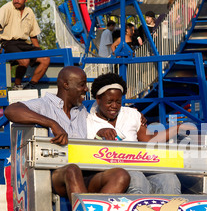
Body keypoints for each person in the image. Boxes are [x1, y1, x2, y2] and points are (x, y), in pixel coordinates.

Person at [4, 66, 130, 203]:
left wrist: (101, 133)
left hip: (84, 172)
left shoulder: (81, 110)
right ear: (66, 85)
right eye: (82, 85)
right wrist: (52, 123)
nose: (86, 89)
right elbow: (11, 110)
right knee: (72, 170)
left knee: (120, 174)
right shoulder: (45, 105)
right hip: (56, 175)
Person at [87, 72, 183, 195]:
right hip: (113, 176)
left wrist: (178, 128)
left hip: (140, 169)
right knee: (136, 178)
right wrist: (99, 136)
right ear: (98, 100)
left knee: (169, 179)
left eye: (118, 101)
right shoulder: (88, 121)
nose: (114, 106)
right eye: (109, 102)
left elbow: (149, 140)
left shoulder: (131, 114)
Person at [0, 0, 50, 90]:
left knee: (45, 59)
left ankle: (31, 85)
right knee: (24, 60)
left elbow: (33, 35)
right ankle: (17, 85)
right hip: (8, 43)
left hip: (23, 44)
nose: (16, 1)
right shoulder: (6, 8)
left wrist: (39, 51)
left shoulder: (29, 11)